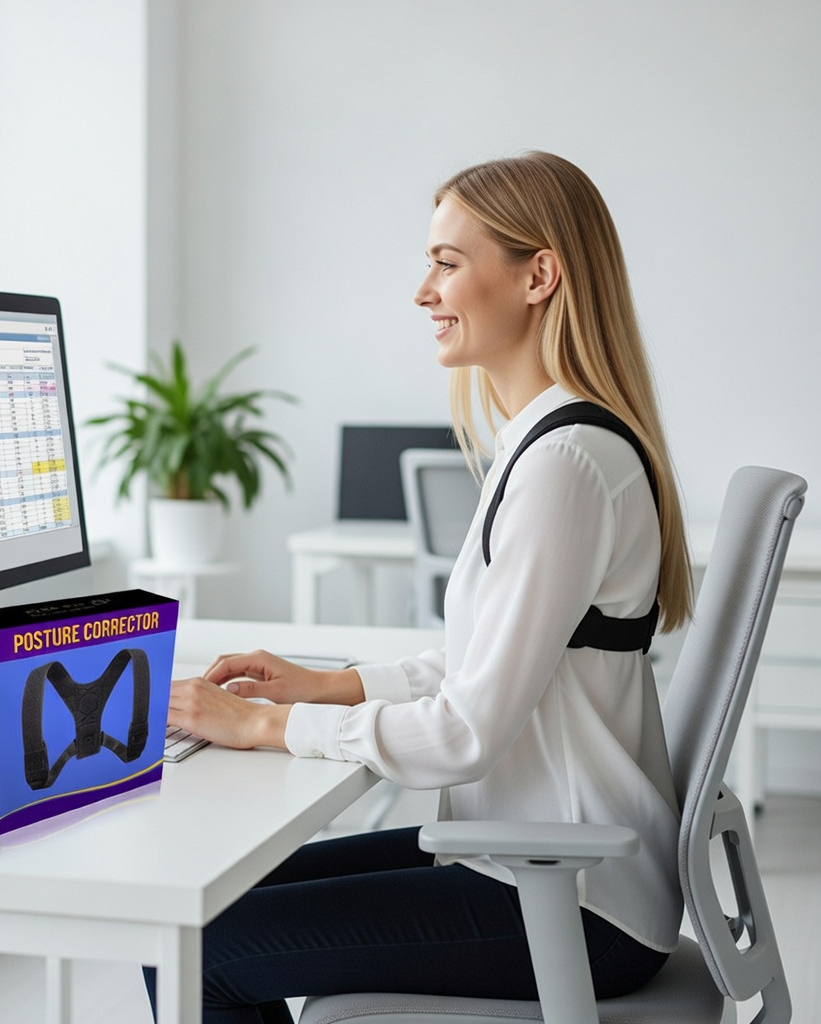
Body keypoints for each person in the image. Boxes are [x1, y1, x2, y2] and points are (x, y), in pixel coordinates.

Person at [156, 151, 693, 1024]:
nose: (423, 291)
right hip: (539, 861)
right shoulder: (546, 442)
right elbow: (486, 663)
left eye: (447, 263)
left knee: (200, 951)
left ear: (539, 276)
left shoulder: (564, 460)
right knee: (201, 903)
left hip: (572, 900)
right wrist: (322, 684)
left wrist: (266, 724)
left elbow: (466, 735)